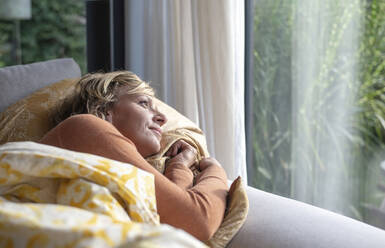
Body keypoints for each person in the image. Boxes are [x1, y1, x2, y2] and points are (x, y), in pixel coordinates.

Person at [39, 71, 228, 241]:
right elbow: (198, 221)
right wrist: (214, 169)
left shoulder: (117, 171)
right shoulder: (84, 127)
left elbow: (168, 225)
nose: (162, 118)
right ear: (103, 110)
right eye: (144, 103)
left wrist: (178, 166)